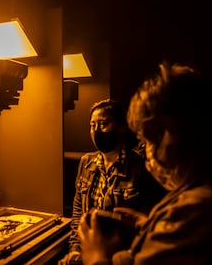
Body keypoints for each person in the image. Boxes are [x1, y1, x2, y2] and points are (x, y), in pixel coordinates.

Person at [77, 62, 212, 264]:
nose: (147, 152)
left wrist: (96, 258)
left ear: (168, 135)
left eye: (147, 141)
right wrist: (150, 230)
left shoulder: (196, 211)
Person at [59, 99, 166, 265]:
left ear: (121, 127)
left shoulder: (140, 166)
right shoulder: (86, 162)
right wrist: (75, 249)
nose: (96, 130)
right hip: (89, 254)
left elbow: (147, 220)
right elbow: (78, 209)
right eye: (92, 125)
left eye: (103, 124)